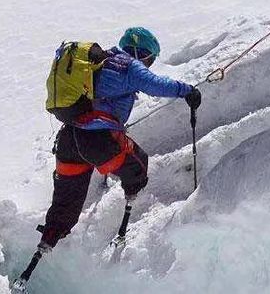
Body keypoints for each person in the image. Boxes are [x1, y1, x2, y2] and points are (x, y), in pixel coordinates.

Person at [37, 27, 202, 252]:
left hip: (69, 139)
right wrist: (188, 91)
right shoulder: (129, 66)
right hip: (99, 141)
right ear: (141, 53)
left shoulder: (102, 61)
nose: (149, 64)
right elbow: (155, 85)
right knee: (138, 165)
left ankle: (47, 242)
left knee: (66, 202)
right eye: (150, 59)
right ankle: (129, 205)